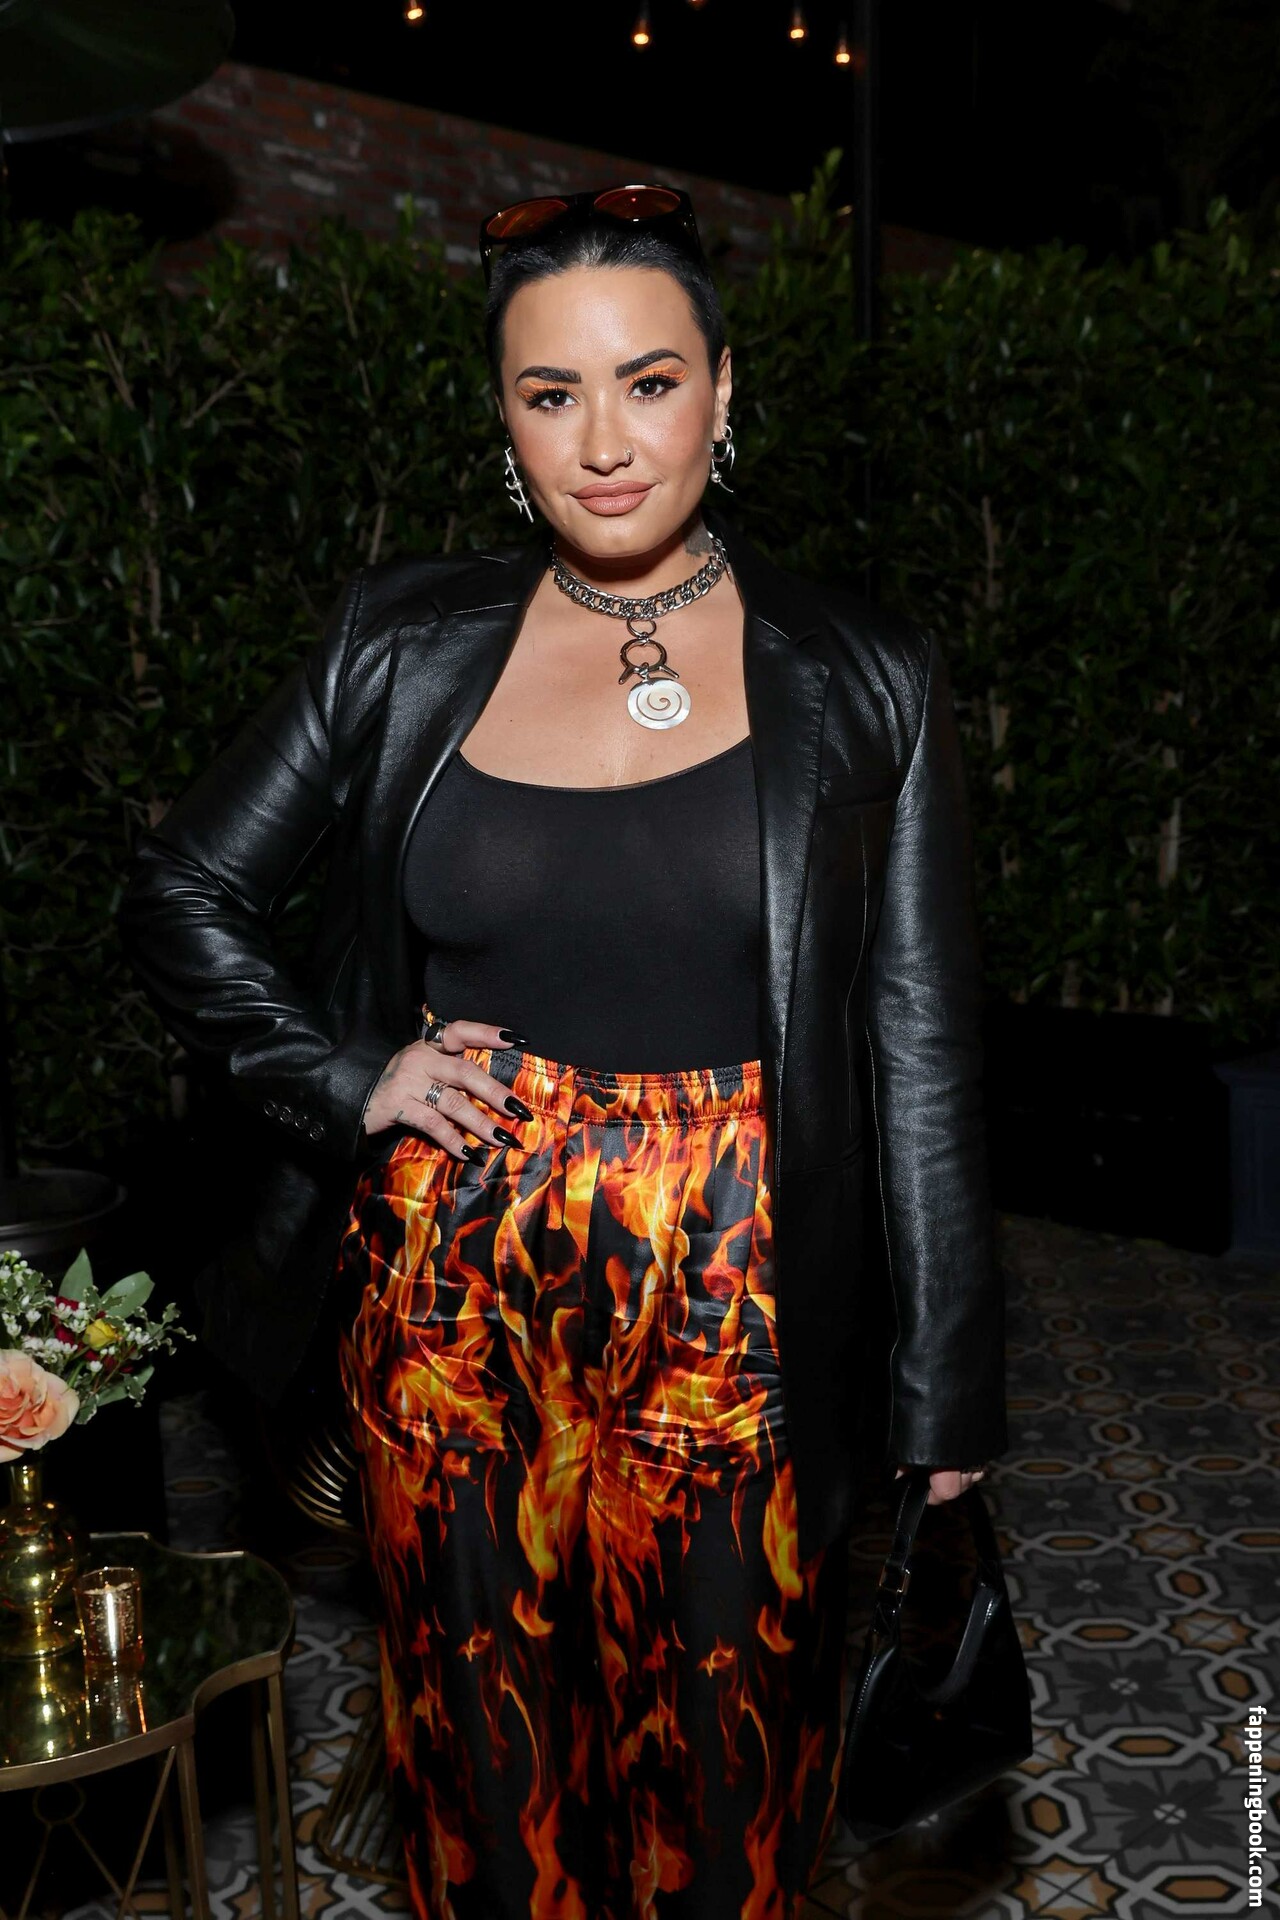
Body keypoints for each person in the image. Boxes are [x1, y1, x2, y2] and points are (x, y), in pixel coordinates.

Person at [118, 183, 1007, 1920]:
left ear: (723, 394)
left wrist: (946, 1399)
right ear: (504, 414)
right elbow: (184, 890)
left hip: (740, 1278)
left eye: (649, 382)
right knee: (481, 1763)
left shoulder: (862, 671)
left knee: (732, 1772)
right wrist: (345, 1080)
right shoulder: (403, 640)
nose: (604, 443)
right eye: (552, 393)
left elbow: (921, 1045)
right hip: (458, 1267)